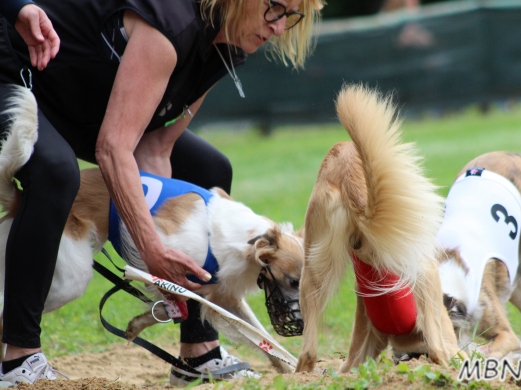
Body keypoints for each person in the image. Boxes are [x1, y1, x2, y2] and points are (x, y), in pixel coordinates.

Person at [0, 0, 324, 386]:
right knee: (56, 172)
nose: (279, 27)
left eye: (291, 16)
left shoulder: (226, 47)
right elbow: (114, 149)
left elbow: (154, 150)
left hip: (80, 110)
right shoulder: (172, 27)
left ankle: (198, 352)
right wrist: (151, 249)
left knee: (208, 170)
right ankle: (18, 356)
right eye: (275, 9)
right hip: (17, 77)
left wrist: (159, 250)